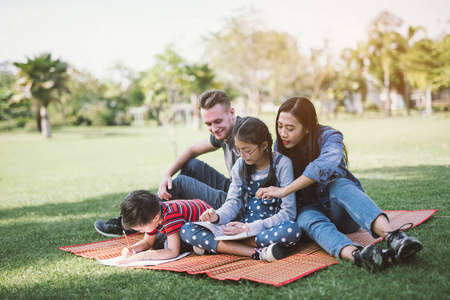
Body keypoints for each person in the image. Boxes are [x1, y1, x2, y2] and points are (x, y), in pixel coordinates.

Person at [256, 96, 423, 271]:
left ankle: (394, 238)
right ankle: (359, 255)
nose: (283, 133)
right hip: (310, 209)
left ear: (307, 128)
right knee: (304, 218)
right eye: (280, 126)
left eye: (290, 128)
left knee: (340, 185)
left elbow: (322, 166)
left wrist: (285, 190)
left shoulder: (330, 137)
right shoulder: (279, 148)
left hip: (343, 212)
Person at [94, 90, 243, 237]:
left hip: (240, 203)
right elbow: (191, 150)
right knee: (191, 165)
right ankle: (169, 220)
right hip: (233, 188)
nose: (214, 128)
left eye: (217, 121)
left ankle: (136, 222)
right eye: (208, 123)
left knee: (180, 183)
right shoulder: (224, 132)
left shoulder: (245, 132)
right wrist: (167, 175)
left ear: (231, 112)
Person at [180, 117, 302, 262]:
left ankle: (222, 246)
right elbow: (233, 202)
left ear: (264, 145)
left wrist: (248, 229)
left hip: (267, 228)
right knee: (187, 229)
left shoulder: (282, 164)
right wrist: (216, 216)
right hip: (239, 228)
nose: (243, 155)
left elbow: (288, 213)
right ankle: (257, 252)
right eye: (238, 150)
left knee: (292, 230)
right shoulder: (240, 165)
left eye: (247, 150)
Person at [117, 190, 211, 264]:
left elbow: (173, 252)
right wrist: (132, 249)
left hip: (207, 225)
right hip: (184, 223)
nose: (141, 232)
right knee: (156, 244)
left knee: (166, 247)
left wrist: (143, 255)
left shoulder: (171, 215)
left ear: (156, 218)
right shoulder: (154, 213)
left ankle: (202, 246)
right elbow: (147, 242)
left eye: (142, 229)